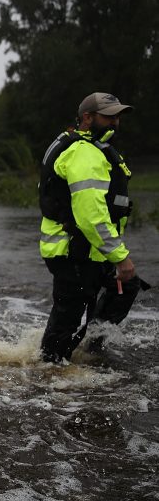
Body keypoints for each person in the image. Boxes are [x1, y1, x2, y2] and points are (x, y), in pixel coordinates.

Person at [38, 92, 146, 363]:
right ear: (87, 117)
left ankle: (89, 351)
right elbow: (91, 217)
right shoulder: (84, 153)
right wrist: (120, 257)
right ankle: (46, 379)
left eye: (118, 116)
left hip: (90, 250)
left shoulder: (92, 149)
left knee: (126, 287)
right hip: (74, 251)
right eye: (109, 116)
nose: (116, 122)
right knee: (65, 325)